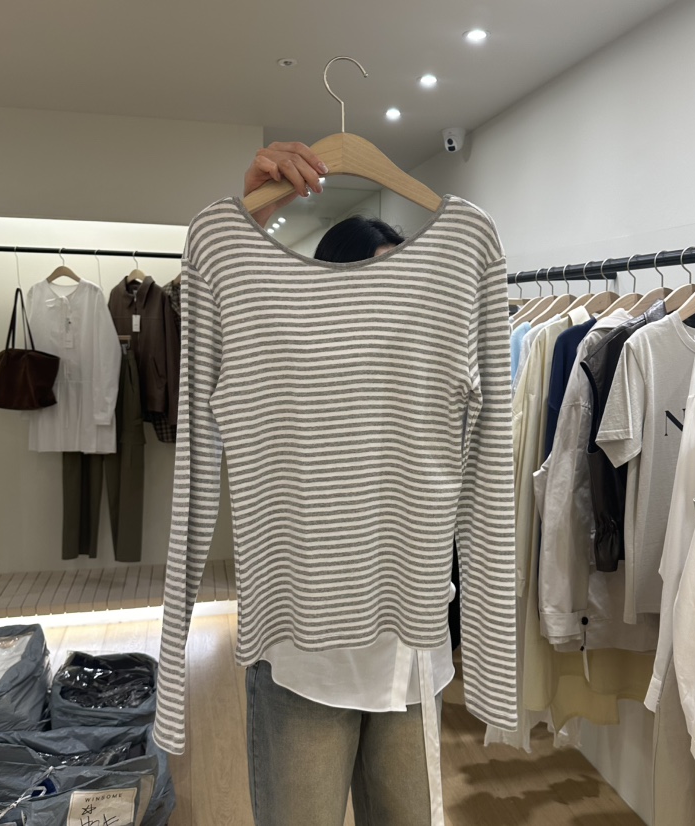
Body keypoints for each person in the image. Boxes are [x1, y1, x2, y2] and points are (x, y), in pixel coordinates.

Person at [240, 143, 454, 826]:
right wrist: (252, 215)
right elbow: (225, 321)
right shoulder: (284, 360)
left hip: (411, 658)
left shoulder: (433, 364)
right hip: (306, 659)